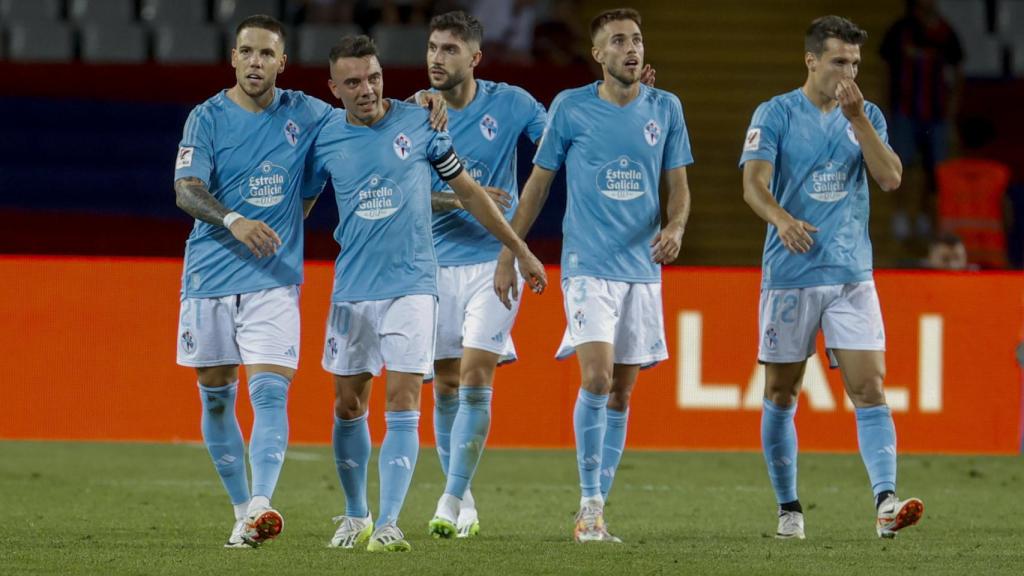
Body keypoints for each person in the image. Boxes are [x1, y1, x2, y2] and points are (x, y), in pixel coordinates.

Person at [312, 34, 547, 553]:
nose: (367, 89)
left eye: (374, 77)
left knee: (404, 400)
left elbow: (469, 192)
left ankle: (389, 523)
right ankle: (356, 514)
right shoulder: (324, 134)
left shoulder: (420, 121)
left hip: (415, 284)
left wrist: (519, 249)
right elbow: (301, 200)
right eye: (353, 82)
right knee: (348, 406)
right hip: (353, 288)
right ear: (334, 88)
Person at [494, 8, 692, 543]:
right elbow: (538, 185)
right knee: (598, 378)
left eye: (638, 39)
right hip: (588, 266)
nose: (632, 48)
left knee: (622, 394)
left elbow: (678, 186)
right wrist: (512, 251)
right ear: (598, 54)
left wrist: (675, 227)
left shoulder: (666, 108)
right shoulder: (571, 107)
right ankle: (588, 504)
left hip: (642, 269)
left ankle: (597, 509)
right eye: (619, 41)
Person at [739, 15, 924, 540]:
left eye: (856, 63)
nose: (849, 72)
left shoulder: (866, 115)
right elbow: (753, 185)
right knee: (781, 393)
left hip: (850, 274)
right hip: (790, 274)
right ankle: (789, 509)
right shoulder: (775, 113)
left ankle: (885, 503)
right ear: (811, 60)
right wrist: (782, 219)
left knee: (870, 388)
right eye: (840, 61)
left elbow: (890, 178)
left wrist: (858, 120)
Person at [173, 14, 332, 548]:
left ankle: (263, 502)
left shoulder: (307, 113)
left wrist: (421, 102)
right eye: (247, 52)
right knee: (217, 399)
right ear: (233, 58)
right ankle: (243, 512)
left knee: (268, 392)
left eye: (267, 53)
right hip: (209, 277)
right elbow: (186, 190)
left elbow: (367, 115)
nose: (255, 62)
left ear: (282, 62)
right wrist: (234, 220)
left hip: (273, 279)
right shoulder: (206, 117)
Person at [420, 10, 548, 540]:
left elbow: (562, 144)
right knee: (445, 385)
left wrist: (629, 99)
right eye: (432, 47)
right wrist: (461, 200)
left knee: (475, 376)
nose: (436, 58)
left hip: (493, 264)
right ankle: (466, 501)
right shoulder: (416, 113)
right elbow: (406, 193)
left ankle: (448, 501)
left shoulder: (512, 104)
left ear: (475, 58)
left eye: (449, 49)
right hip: (432, 265)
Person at [880, 0, 963, 240]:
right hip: (904, 111)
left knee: (933, 169)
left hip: (936, 115)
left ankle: (926, 215)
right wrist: (886, 105)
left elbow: (958, 72)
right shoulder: (900, 30)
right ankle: (900, 214)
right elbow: (886, 69)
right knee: (900, 164)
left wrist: (951, 110)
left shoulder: (946, 31)